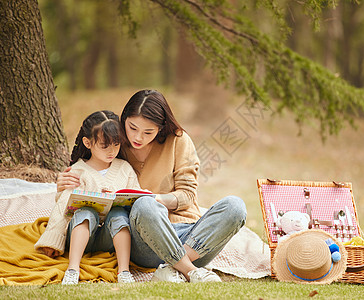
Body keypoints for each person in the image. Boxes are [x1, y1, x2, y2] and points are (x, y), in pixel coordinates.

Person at [57, 90, 247, 283]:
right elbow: (93, 170)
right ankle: (191, 272)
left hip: (191, 240)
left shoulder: (178, 141)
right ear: (124, 121)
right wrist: (65, 182)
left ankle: (172, 267)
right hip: (144, 242)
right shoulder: (116, 145)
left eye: (148, 132)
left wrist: (155, 198)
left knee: (235, 206)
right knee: (144, 206)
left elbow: (187, 195)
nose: (138, 137)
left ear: (161, 128)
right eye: (132, 128)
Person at [35, 110, 143, 284]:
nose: (112, 151)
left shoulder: (124, 168)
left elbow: (137, 200)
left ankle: (124, 271)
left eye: (116, 144)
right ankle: (73, 269)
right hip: (80, 235)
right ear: (88, 142)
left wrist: (118, 199)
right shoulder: (78, 171)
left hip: (111, 236)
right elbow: (63, 205)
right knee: (85, 213)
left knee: (119, 215)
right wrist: (53, 239)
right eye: (104, 145)